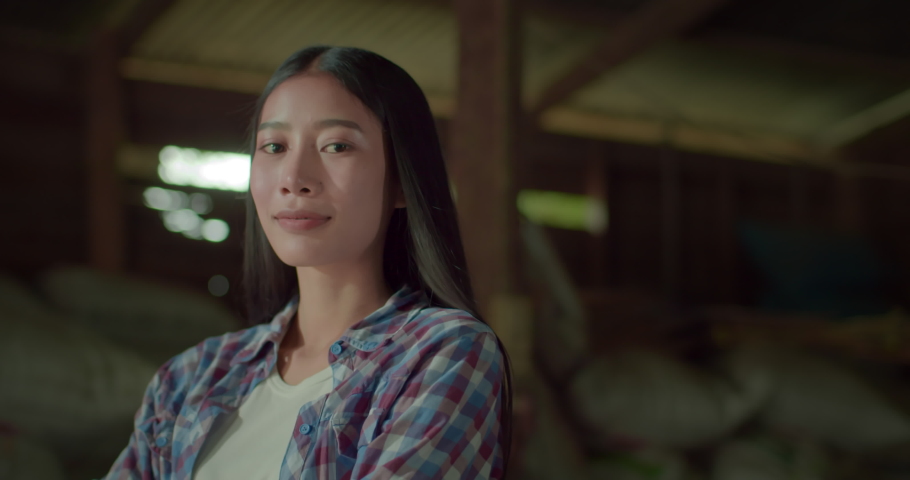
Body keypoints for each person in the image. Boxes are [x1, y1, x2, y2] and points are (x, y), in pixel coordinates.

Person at [103, 46, 512, 480]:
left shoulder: (442, 355)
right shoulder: (189, 379)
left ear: (401, 181)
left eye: (336, 145)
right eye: (274, 146)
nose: (294, 179)